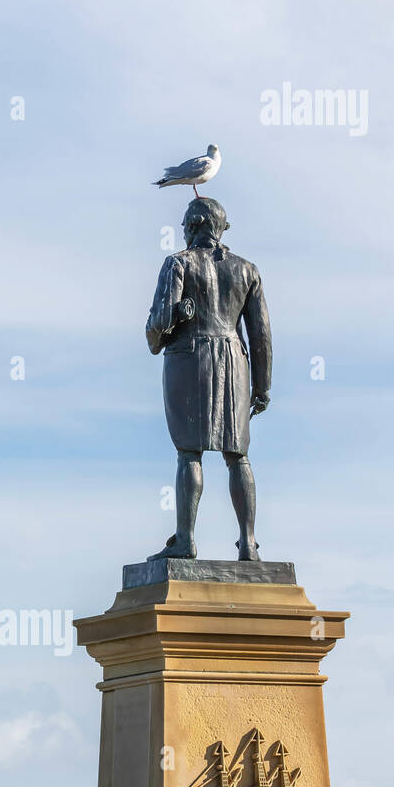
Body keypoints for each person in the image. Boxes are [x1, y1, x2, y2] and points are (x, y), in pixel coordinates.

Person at [146, 197, 272, 562]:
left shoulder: (179, 263)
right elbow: (261, 334)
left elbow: (156, 331)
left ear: (195, 225)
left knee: (189, 452)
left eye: (185, 224)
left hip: (190, 358)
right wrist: (262, 385)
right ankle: (248, 543)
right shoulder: (247, 270)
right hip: (234, 361)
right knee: (238, 456)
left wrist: (175, 315)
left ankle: (185, 541)